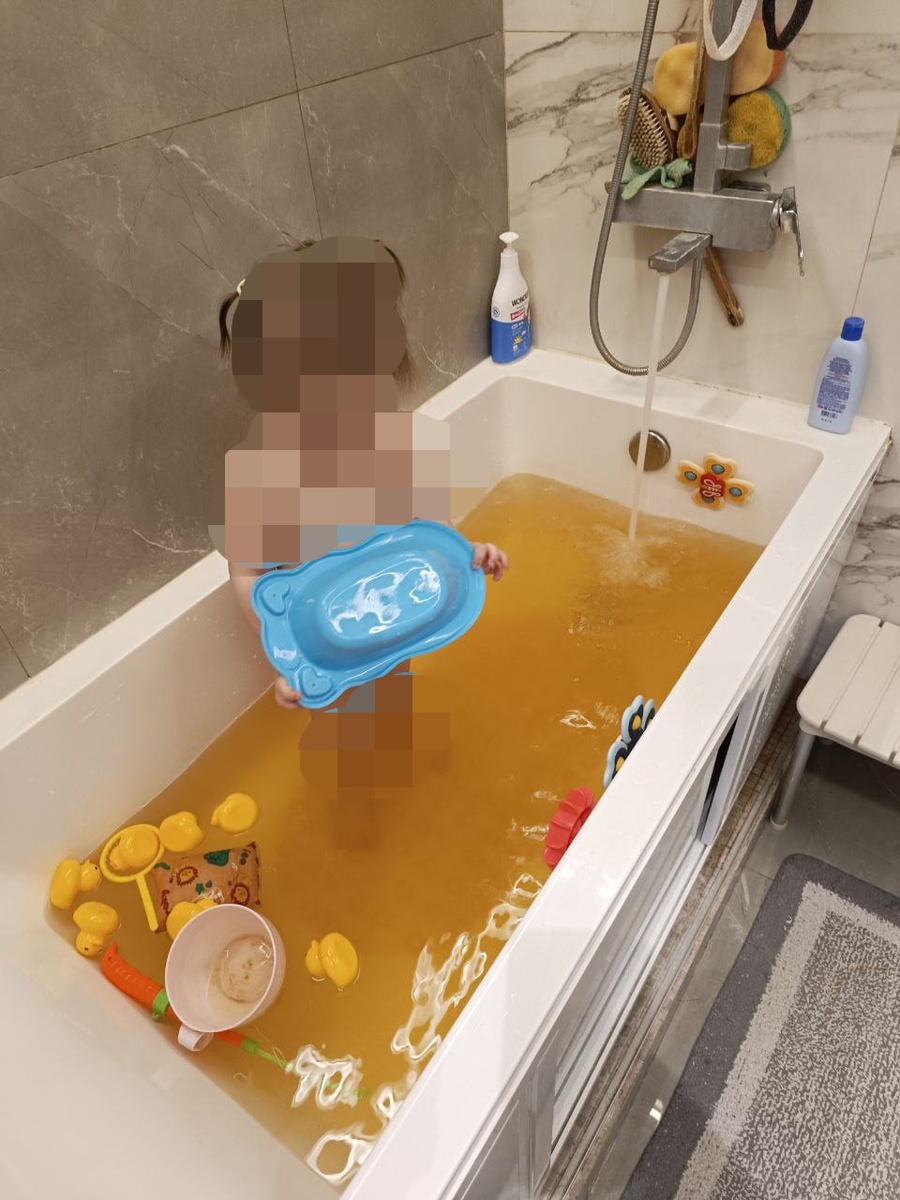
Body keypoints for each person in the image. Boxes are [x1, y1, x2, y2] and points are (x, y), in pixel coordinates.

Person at [211, 235, 508, 710]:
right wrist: (288, 659)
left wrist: (467, 553)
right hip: (325, 647)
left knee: (395, 706)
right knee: (347, 729)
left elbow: (432, 530)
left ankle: (397, 734)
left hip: (395, 619)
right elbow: (249, 574)